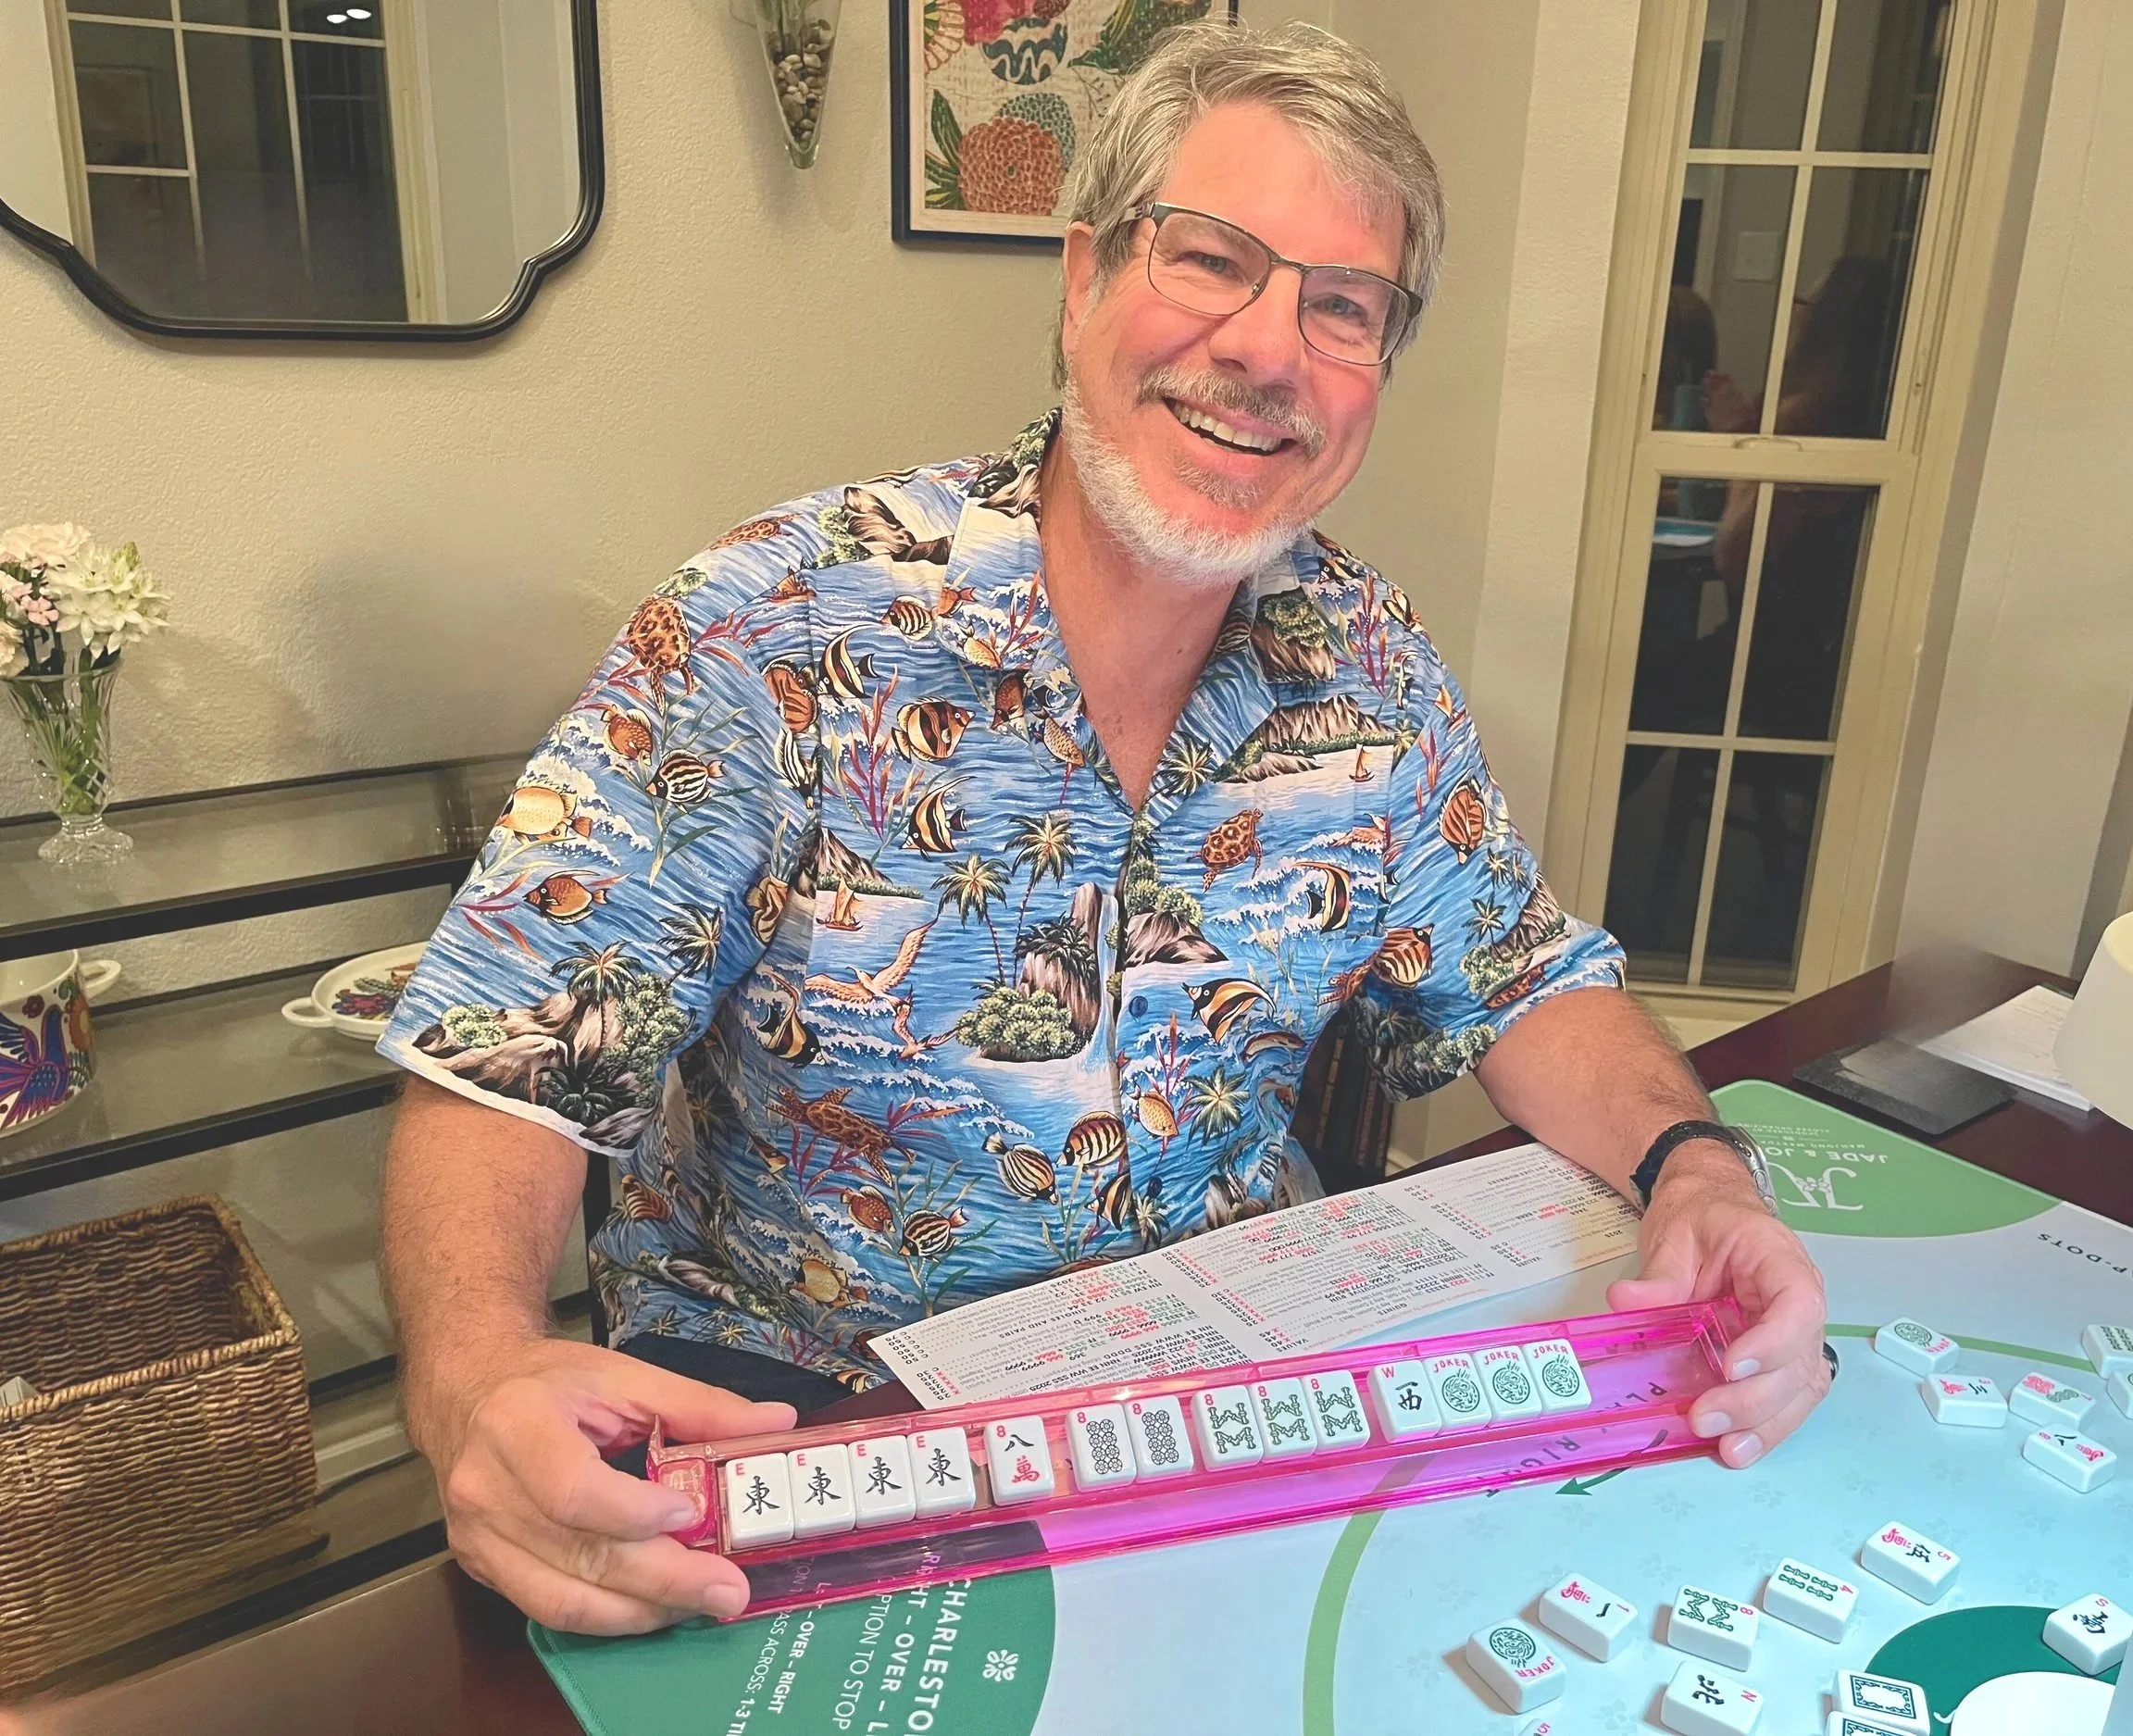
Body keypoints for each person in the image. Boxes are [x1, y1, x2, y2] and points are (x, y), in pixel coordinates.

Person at [377, 19, 1829, 1638]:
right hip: (808, 1424)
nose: (1270, 349)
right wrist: (473, 1367)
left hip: (1223, 1403)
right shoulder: (772, 628)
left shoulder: (1371, 670)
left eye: (1342, 307)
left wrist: (1700, 1168)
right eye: (1211, 258)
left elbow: (1519, 977)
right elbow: (498, 1057)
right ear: (1081, 281)